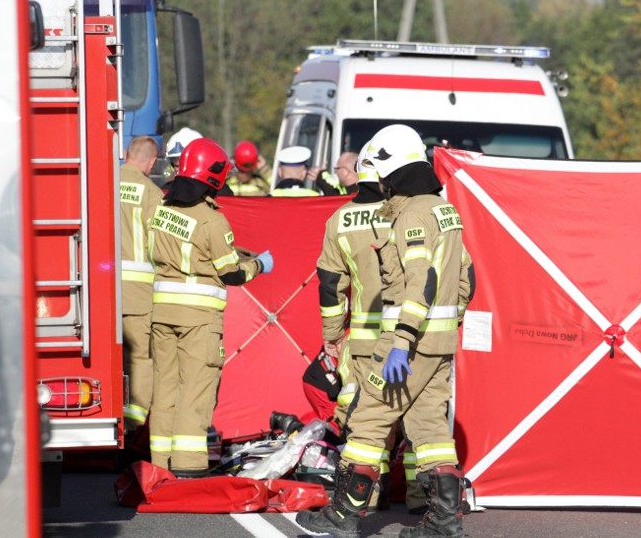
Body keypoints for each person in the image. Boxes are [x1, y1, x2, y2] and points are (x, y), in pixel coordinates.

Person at [296, 124, 475, 538]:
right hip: (439, 344)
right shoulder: (442, 209)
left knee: (368, 420)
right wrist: (446, 326)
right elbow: (466, 277)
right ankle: (444, 523)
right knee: (430, 430)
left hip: (404, 345)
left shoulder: (411, 214)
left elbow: (420, 280)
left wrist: (404, 341)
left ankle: (342, 516)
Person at [147, 138, 274, 478]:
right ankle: (188, 465)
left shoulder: (162, 211)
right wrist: (258, 265)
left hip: (161, 315)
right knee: (196, 389)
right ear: (214, 176)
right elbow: (231, 273)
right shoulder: (212, 220)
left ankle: (159, 464)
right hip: (199, 320)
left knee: (165, 388)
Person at [119, 135, 162, 431]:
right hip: (138, 295)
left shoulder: (101, 181)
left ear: (125, 154)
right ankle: (132, 425)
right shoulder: (152, 194)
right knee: (140, 358)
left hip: (100, 292)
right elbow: (161, 247)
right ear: (152, 162)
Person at [161, 127, 234, 196]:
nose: (179, 168)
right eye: (176, 164)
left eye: (184, 162)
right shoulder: (167, 190)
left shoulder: (221, 192)